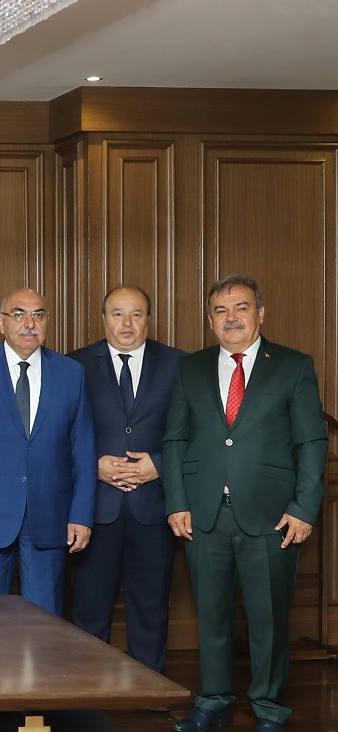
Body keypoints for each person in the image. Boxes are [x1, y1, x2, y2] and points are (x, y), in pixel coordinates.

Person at [166, 276, 326, 732]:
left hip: (273, 516)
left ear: (261, 313)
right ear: (210, 320)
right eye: (221, 310)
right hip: (203, 514)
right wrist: (176, 501)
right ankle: (213, 702)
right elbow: (175, 439)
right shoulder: (191, 368)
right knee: (211, 616)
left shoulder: (293, 366)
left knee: (268, 619)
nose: (231, 317)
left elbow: (312, 441)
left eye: (241, 307)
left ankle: (269, 709)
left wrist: (304, 507)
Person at [0, 289, 94, 616]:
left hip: (50, 515)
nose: (29, 323)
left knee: (44, 623)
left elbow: (83, 452)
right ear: (1, 322)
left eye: (38, 315)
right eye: (18, 314)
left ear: (47, 322)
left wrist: (81, 515)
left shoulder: (71, 373)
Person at [66, 285, 183, 672]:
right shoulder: (74, 365)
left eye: (136, 314)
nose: (127, 323)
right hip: (95, 509)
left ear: (149, 319)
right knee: (89, 609)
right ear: (103, 319)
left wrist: (159, 465)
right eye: (117, 314)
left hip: (154, 509)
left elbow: (197, 433)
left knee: (151, 608)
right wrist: (92, 465)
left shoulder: (179, 364)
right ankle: (88, 692)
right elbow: (56, 434)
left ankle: (150, 689)